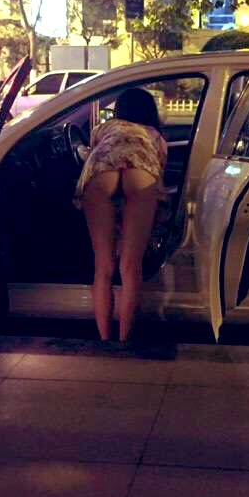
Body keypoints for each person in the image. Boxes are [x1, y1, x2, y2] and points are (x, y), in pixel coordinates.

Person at [74, 88, 168, 342]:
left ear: (119, 109)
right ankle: (125, 340)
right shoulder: (155, 135)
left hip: (101, 171)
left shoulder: (104, 128)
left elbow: (92, 151)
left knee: (103, 267)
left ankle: (105, 339)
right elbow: (159, 165)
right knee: (130, 267)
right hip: (141, 172)